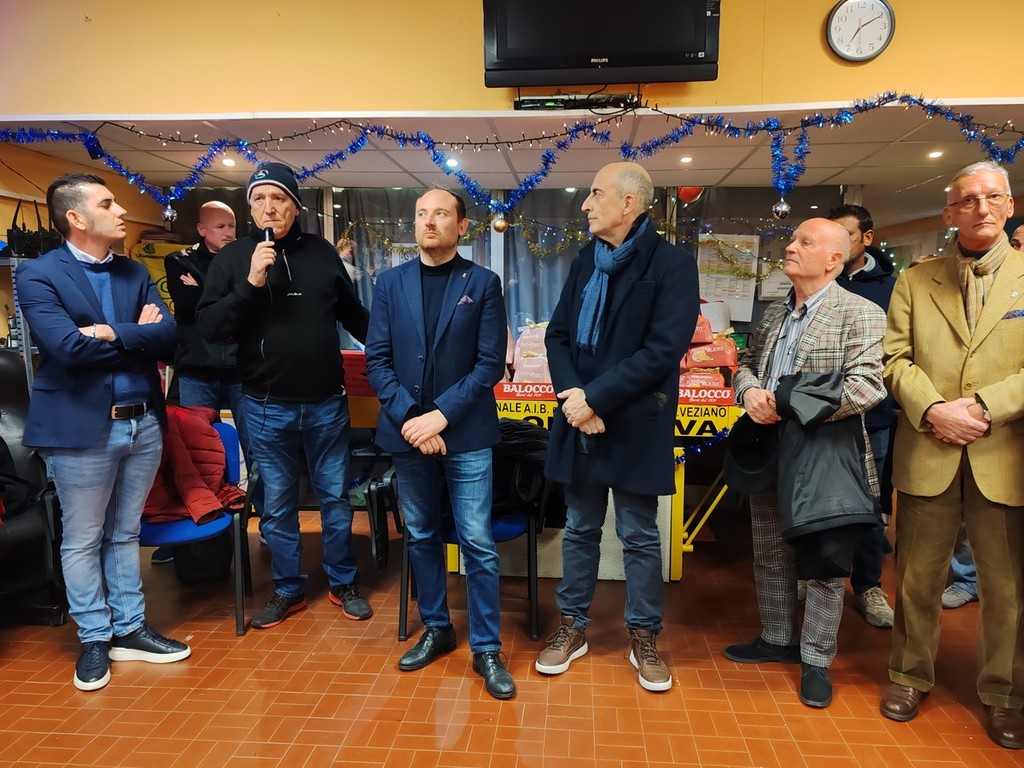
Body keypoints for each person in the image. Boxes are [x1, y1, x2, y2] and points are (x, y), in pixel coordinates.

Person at [15, 173, 190, 691]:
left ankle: (130, 629)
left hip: (142, 423)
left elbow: (170, 338)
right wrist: (138, 336)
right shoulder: (39, 274)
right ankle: (94, 636)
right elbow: (67, 349)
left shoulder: (133, 271)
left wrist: (111, 331)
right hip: (79, 429)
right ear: (76, 217)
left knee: (125, 533)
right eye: (109, 204)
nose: (122, 212)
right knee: (83, 539)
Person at [534, 162, 699, 693]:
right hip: (580, 419)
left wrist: (595, 398)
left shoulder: (672, 265)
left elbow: (662, 350)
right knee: (580, 529)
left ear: (629, 203)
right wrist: (574, 398)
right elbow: (558, 336)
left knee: (639, 535)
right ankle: (572, 625)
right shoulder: (587, 260)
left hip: (634, 422)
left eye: (595, 193)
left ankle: (644, 635)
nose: (585, 204)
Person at [881, 161, 1024, 749]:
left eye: (992, 197)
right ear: (949, 213)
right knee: (917, 579)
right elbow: (894, 359)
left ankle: (1005, 694)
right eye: (967, 200)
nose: (981, 208)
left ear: (1010, 205)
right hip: (929, 448)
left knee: (1007, 589)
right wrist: (935, 409)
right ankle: (909, 676)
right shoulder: (917, 280)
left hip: (1004, 455)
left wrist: (986, 406)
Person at [197, 163, 371, 629]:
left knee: (336, 500)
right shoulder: (233, 259)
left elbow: (354, 315)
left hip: (326, 403)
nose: (269, 207)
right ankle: (289, 589)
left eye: (278, 198)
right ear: (250, 209)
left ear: (295, 206)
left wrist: (395, 348)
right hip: (264, 405)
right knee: (277, 505)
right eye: (259, 199)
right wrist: (252, 282)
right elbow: (211, 328)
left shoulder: (321, 253)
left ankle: (343, 582)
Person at [723, 218, 887, 709]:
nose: (790, 247)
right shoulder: (774, 312)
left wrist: (788, 401)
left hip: (825, 456)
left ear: (834, 259)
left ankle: (816, 659)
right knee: (770, 550)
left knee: (824, 562)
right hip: (770, 448)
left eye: (804, 242)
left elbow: (867, 387)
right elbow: (747, 363)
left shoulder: (860, 313)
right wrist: (749, 392)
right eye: (793, 239)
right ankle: (776, 637)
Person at [364, 187, 514, 700]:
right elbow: (377, 361)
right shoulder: (390, 283)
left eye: (441, 214)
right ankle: (437, 628)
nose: (429, 222)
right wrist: (414, 419)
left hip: (465, 434)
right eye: (422, 214)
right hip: (408, 434)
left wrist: (440, 417)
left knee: (477, 542)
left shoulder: (483, 283)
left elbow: (489, 364)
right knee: (422, 534)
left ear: (461, 226)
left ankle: (487, 648)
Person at [153, 200, 257, 565]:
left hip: (242, 368)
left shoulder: (246, 258)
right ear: (201, 229)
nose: (228, 233)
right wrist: (234, 297)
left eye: (232, 226)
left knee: (257, 446)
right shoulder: (179, 260)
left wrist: (219, 298)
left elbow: (248, 308)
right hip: (197, 367)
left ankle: (265, 520)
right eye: (220, 226)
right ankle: (192, 526)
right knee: (191, 451)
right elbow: (192, 305)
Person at [829, 204, 897, 629]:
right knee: (818, 504)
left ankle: (868, 585)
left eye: (847, 236)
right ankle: (817, 577)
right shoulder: (818, 281)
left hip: (872, 416)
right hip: (818, 416)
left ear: (867, 239)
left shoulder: (892, 289)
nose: (837, 246)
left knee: (869, 508)